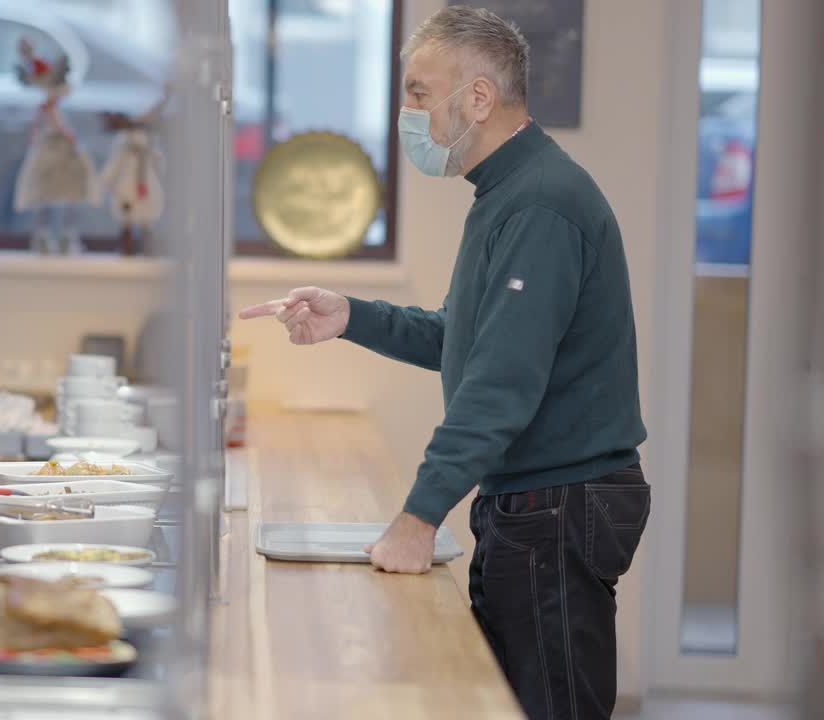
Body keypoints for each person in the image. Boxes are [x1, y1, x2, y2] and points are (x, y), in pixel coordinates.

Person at [239, 8, 649, 720]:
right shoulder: (506, 194)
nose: (408, 113)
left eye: (420, 93)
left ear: (480, 98)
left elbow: (501, 384)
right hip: (535, 500)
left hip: (557, 504)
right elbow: (464, 337)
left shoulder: (541, 204)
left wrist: (420, 516)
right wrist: (351, 316)